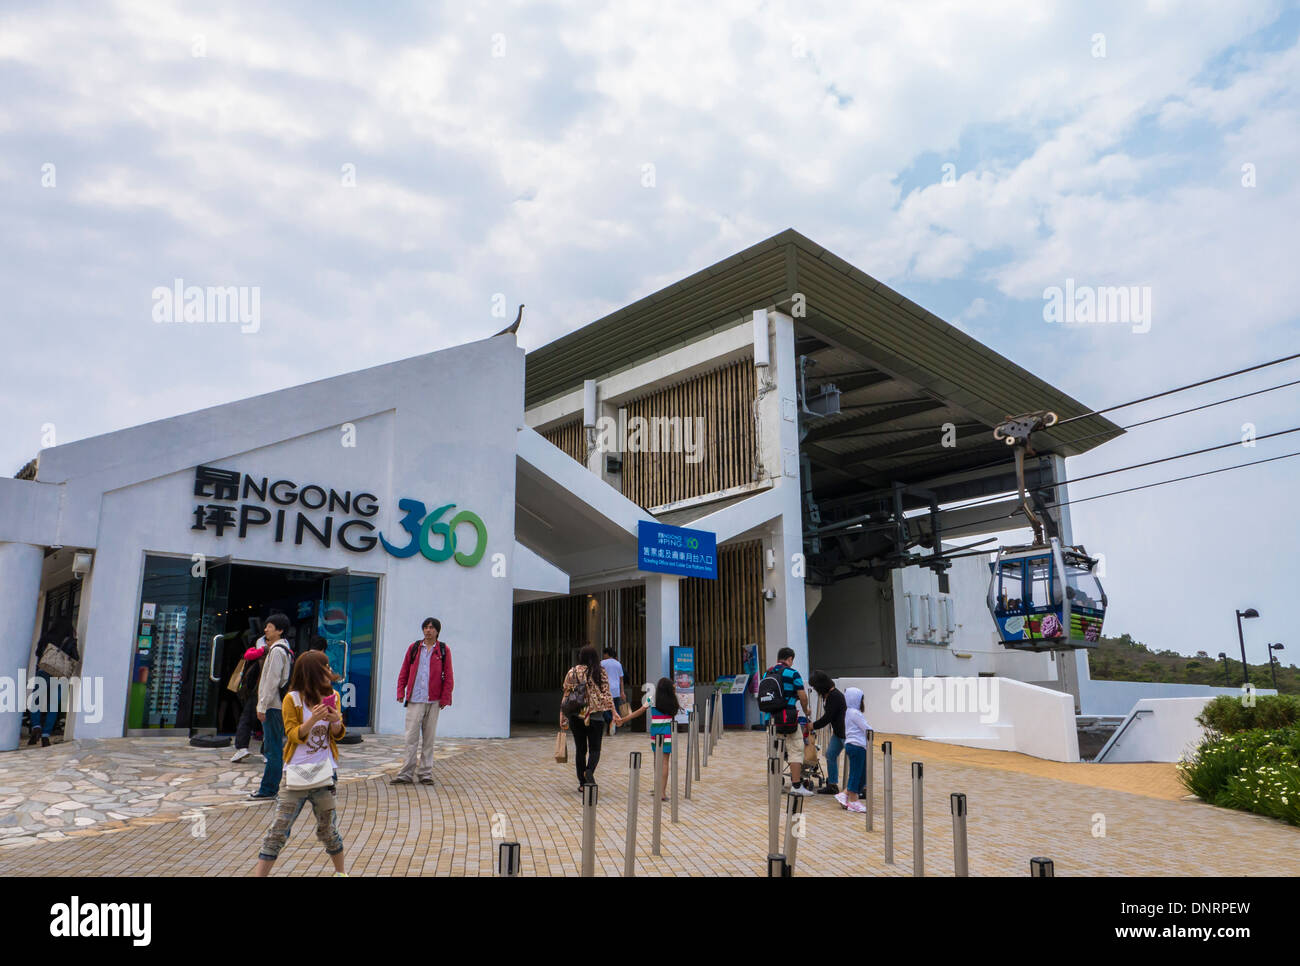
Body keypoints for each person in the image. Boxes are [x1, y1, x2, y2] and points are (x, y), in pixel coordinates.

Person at [252, 650, 348, 876]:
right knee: (278, 829)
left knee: (328, 830)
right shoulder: (291, 699)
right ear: (313, 671)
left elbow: (337, 734)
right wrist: (312, 719)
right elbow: (293, 734)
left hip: (325, 773)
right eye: (324, 667)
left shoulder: (333, 696)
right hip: (295, 773)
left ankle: (341, 873)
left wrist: (336, 721)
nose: (328, 671)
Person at [392, 617, 454, 786]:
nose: (428, 630)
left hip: (433, 702)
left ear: (437, 631)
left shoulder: (443, 650)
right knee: (410, 738)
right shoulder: (414, 648)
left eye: (432, 628)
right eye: (426, 627)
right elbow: (404, 671)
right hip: (414, 700)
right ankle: (406, 774)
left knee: (429, 739)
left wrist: (445, 698)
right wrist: (400, 691)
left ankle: (425, 773)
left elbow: (448, 676)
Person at [249, 614, 294, 800]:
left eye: (270, 627)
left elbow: (271, 681)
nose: (266, 629)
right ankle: (269, 787)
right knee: (273, 747)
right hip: (277, 705)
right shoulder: (285, 648)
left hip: (273, 706)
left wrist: (262, 706)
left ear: (280, 630)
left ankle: (268, 789)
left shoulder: (277, 651)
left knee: (272, 748)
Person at [559, 645, 615, 790]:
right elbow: (607, 694)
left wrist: (562, 715)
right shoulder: (599, 671)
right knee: (595, 749)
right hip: (595, 715)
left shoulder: (572, 672)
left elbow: (566, 693)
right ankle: (588, 771)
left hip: (577, 715)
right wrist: (614, 713)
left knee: (580, 749)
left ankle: (583, 784)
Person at [618, 677, 679, 801]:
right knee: (665, 762)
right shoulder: (672, 701)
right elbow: (674, 713)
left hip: (655, 734)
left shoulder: (652, 699)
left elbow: (639, 711)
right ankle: (662, 792)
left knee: (657, 761)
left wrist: (624, 719)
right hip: (667, 734)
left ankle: (657, 788)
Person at [765, 646, 813, 796]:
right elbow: (802, 695)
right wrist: (806, 711)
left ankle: (775, 784)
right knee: (795, 750)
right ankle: (797, 786)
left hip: (771, 719)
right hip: (788, 718)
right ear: (790, 659)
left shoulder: (768, 673)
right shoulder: (792, 673)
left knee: (775, 751)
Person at [28, 618, 79, 747]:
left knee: (36, 700)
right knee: (54, 705)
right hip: (60, 676)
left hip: (44, 670)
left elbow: (38, 653)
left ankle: (36, 726)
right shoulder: (70, 641)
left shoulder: (47, 636)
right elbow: (76, 658)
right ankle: (45, 735)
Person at [809, 670, 846, 795]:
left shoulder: (834, 696)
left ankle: (863, 787)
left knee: (854, 759)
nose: (814, 689)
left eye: (815, 687)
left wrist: (812, 726)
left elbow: (827, 718)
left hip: (846, 734)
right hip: (838, 733)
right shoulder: (830, 696)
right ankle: (832, 785)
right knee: (830, 754)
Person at [232, 634, 267, 763]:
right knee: (266, 722)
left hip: (256, 693)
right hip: (262, 692)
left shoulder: (258, 651)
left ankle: (242, 748)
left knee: (247, 719)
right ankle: (265, 752)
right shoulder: (275, 650)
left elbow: (248, 655)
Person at [836, 687, 871, 813]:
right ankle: (853, 800)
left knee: (860, 774)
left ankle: (844, 794)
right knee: (857, 773)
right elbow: (867, 728)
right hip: (857, 746)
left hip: (856, 745)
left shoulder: (850, 712)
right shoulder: (854, 713)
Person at [600, 647, 625, 735]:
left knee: (604, 710)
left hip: (605, 690)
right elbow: (621, 679)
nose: (603, 655)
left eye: (604, 654)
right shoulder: (618, 664)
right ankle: (614, 729)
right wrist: (622, 692)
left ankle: (611, 721)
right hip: (616, 690)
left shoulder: (602, 663)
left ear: (607, 654)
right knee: (616, 710)